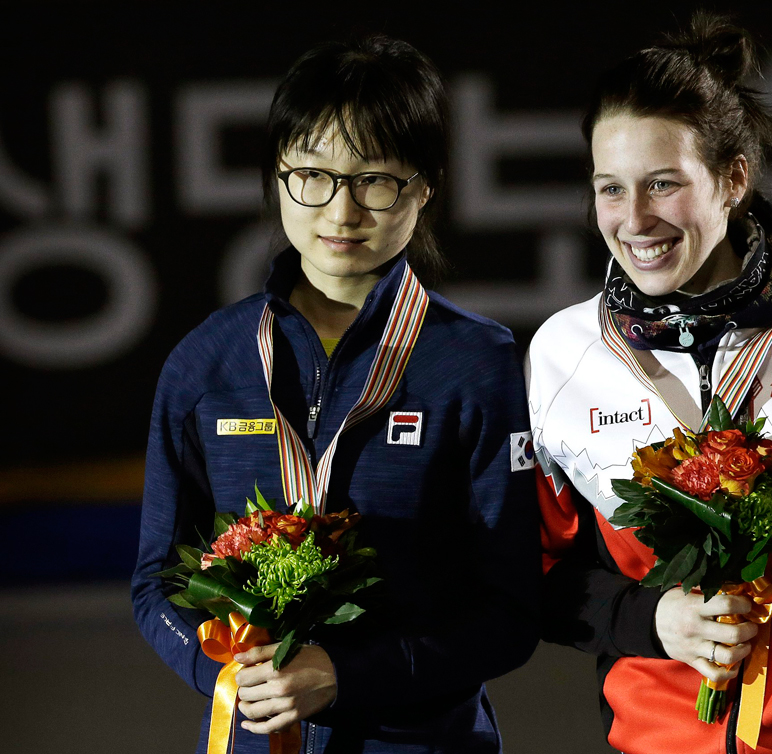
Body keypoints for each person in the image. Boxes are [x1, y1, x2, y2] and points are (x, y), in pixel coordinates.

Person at [131, 35, 539, 754]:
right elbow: (156, 583)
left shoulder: (477, 364)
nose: (341, 212)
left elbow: (509, 613)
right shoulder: (206, 362)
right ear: (277, 175)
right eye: (312, 175)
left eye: (375, 179)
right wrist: (222, 670)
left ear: (425, 184)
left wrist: (346, 674)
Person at [526, 13, 772, 754]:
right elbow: (532, 576)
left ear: (734, 177)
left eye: (663, 184)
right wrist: (651, 617)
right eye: (611, 188)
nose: (634, 219)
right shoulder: (565, 354)